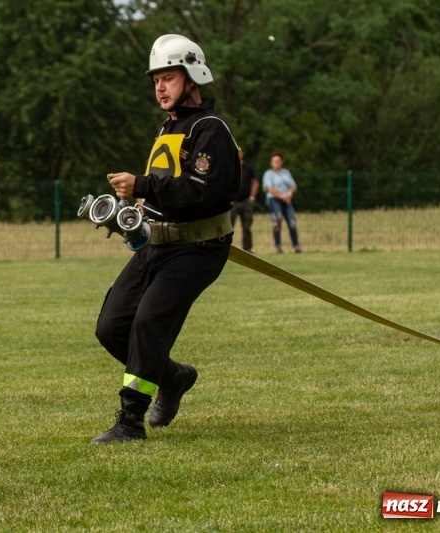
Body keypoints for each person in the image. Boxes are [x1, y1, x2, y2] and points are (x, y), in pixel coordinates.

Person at [93, 34, 241, 443]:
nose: (160, 87)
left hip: (198, 249)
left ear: (192, 78)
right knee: (111, 328)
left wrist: (142, 183)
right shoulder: (168, 126)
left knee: (148, 323)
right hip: (156, 243)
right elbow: (160, 188)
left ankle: (129, 422)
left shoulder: (211, 131)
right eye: (156, 79)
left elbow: (200, 192)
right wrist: (137, 209)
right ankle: (173, 378)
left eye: (169, 77)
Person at [262, 152, 301, 253]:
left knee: (292, 222)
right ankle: (278, 246)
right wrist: (282, 196)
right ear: (271, 163)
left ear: (282, 162)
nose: (277, 163)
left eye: (278, 161)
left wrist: (289, 194)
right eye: (275, 161)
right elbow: (269, 188)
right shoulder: (268, 174)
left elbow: (293, 186)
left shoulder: (286, 172)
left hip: (287, 200)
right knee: (277, 222)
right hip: (274, 200)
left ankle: (296, 245)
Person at [230, 153, 259, 252]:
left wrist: (252, 197)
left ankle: (247, 248)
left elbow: (255, 182)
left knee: (247, 227)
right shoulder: (230, 168)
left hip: (246, 201)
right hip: (232, 202)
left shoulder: (248, 169)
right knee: (229, 227)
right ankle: (227, 248)